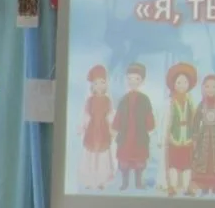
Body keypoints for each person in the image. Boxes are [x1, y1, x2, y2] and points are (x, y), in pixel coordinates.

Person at [112, 61, 154, 191]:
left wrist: (150, 128)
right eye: (130, 79)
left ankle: (138, 182)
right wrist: (115, 129)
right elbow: (118, 116)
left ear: (142, 81)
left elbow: (149, 116)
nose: (133, 82)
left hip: (139, 135)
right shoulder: (123, 99)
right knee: (124, 160)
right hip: (125, 136)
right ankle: (124, 183)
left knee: (139, 160)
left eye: (136, 79)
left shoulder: (145, 99)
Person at [163, 61, 197, 197]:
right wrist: (168, 136)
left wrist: (194, 135)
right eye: (179, 82)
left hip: (187, 138)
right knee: (174, 164)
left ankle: (187, 187)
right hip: (174, 138)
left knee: (187, 164)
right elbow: (167, 120)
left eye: (185, 82)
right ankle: (172, 187)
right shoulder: (170, 101)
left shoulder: (190, 101)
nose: (182, 85)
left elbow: (194, 119)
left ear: (189, 84)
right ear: (173, 84)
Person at [78, 65, 114, 190]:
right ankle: (89, 180)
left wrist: (112, 129)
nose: (99, 86)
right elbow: (86, 115)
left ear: (106, 84)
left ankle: (101, 180)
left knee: (102, 155)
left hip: (103, 130)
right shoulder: (90, 100)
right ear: (92, 86)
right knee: (90, 154)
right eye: (96, 83)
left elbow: (110, 115)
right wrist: (82, 127)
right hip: (92, 130)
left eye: (102, 82)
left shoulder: (108, 100)